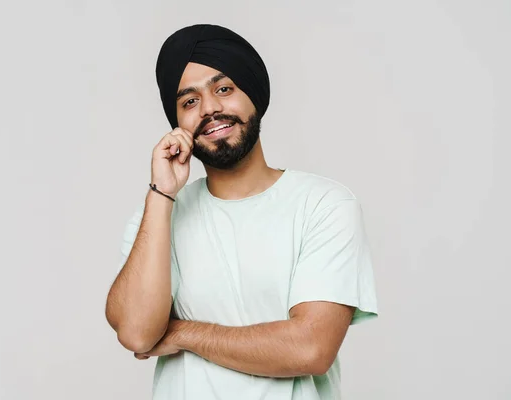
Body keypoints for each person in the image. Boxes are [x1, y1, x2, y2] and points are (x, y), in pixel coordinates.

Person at [105, 23, 378, 400]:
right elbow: (136, 333)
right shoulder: (159, 214)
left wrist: (182, 333)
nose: (210, 109)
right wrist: (162, 193)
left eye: (223, 89)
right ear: (177, 122)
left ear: (253, 94)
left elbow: (310, 349)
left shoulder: (324, 205)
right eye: (189, 101)